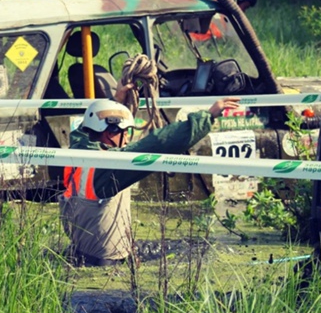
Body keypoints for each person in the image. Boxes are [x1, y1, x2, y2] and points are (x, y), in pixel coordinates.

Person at [60, 73, 240, 266]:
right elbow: (159, 143)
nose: (127, 139)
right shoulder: (109, 167)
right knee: (199, 248)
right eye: (125, 132)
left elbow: (84, 130)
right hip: (107, 265)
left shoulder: (79, 149)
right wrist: (207, 116)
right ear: (109, 132)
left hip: (80, 253)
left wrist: (116, 102)